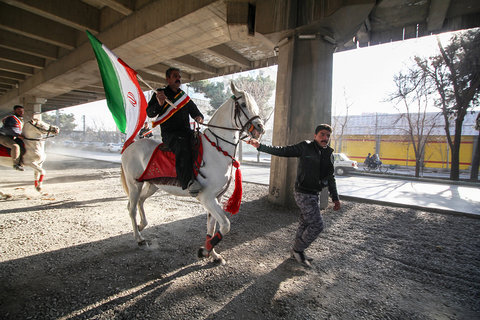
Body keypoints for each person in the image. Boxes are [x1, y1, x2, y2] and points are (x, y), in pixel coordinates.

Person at [246, 124, 341, 268]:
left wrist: (335, 198)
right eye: (322, 134)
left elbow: (331, 177)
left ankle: (295, 253)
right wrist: (260, 146)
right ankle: (298, 250)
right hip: (303, 193)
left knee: (305, 223)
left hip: (314, 194)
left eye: (328, 135)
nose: (325, 138)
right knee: (317, 224)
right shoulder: (306, 147)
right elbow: (283, 151)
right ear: (315, 136)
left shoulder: (329, 154)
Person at [146, 67, 204, 196]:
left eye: (179, 76)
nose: (178, 78)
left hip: (187, 132)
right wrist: (160, 103)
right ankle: (188, 182)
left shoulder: (183, 97)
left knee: (202, 142)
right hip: (170, 134)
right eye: (175, 76)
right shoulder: (160, 94)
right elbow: (150, 113)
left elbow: (196, 112)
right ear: (168, 79)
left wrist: (199, 117)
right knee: (182, 146)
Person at [0, 105, 25, 171]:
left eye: (22, 110)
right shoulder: (11, 118)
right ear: (14, 111)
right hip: (3, 136)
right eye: (19, 110)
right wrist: (17, 135)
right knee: (15, 146)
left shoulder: (21, 120)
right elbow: (7, 129)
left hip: (12, 137)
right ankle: (16, 164)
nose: (21, 112)